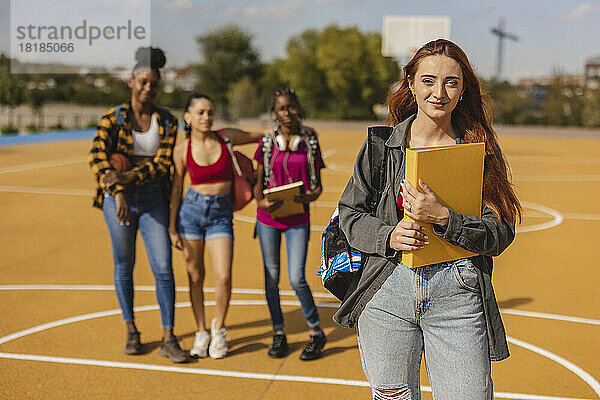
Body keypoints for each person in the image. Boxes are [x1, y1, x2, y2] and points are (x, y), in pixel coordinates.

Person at [335, 39, 522, 399]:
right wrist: (389, 235)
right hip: (387, 290)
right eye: (428, 80)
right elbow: (349, 215)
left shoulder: (478, 150)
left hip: (458, 292)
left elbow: (500, 234)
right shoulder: (380, 146)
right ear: (410, 82)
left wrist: (444, 218)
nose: (439, 92)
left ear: (463, 88)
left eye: (451, 82)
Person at [88, 47, 189, 363]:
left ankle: (169, 337)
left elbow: (162, 163)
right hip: (118, 201)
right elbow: (97, 157)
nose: (148, 88)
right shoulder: (113, 118)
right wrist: (117, 189)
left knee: (163, 268)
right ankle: (131, 329)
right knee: (124, 264)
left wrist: (129, 174)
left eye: (154, 84)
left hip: (153, 200)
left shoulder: (168, 121)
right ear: (131, 81)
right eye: (143, 82)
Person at [168, 94, 262, 359]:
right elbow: (176, 190)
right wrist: (172, 227)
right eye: (200, 112)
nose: (206, 117)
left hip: (221, 215)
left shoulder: (226, 137)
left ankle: (218, 328)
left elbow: (259, 136)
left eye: (210, 112)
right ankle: (201, 331)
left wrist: (294, 132)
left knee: (223, 275)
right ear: (188, 117)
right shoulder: (181, 149)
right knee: (195, 276)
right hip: (191, 214)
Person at [253, 88, 327, 361]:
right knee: (271, 278)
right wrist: (261, 202)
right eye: (281, 109)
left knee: (296, 277)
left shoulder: (310, 140)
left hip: (298, 217)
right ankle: (279, 332)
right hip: (268, 220)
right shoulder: (266, 142)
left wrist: (307, 196)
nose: (287, 113)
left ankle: (316, 331)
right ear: (274, 112)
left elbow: (318, 187)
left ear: (298, 108)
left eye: (291, 107)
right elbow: (257, 185)